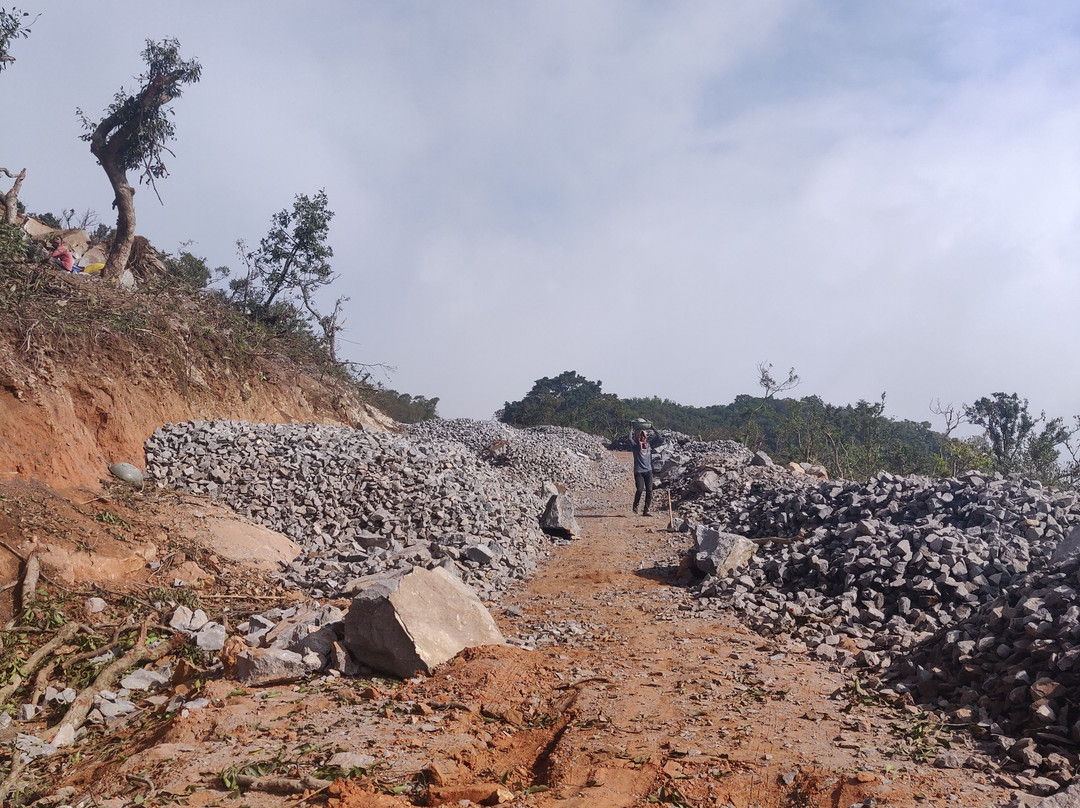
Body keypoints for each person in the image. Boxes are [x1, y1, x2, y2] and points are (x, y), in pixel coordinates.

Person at [631, 429, 653, 516]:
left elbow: (659, 437)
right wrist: (631, 429)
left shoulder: (649, 445)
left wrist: (652, 428)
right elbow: (629, 439)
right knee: (640, 489)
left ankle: (646, 511)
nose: (642, 437)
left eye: (643, 436)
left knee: (649, 490)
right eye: (640, 436)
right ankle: (635, 505)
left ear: (645, 437)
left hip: (648, 471)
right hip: (639, 471)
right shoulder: (635, 446)